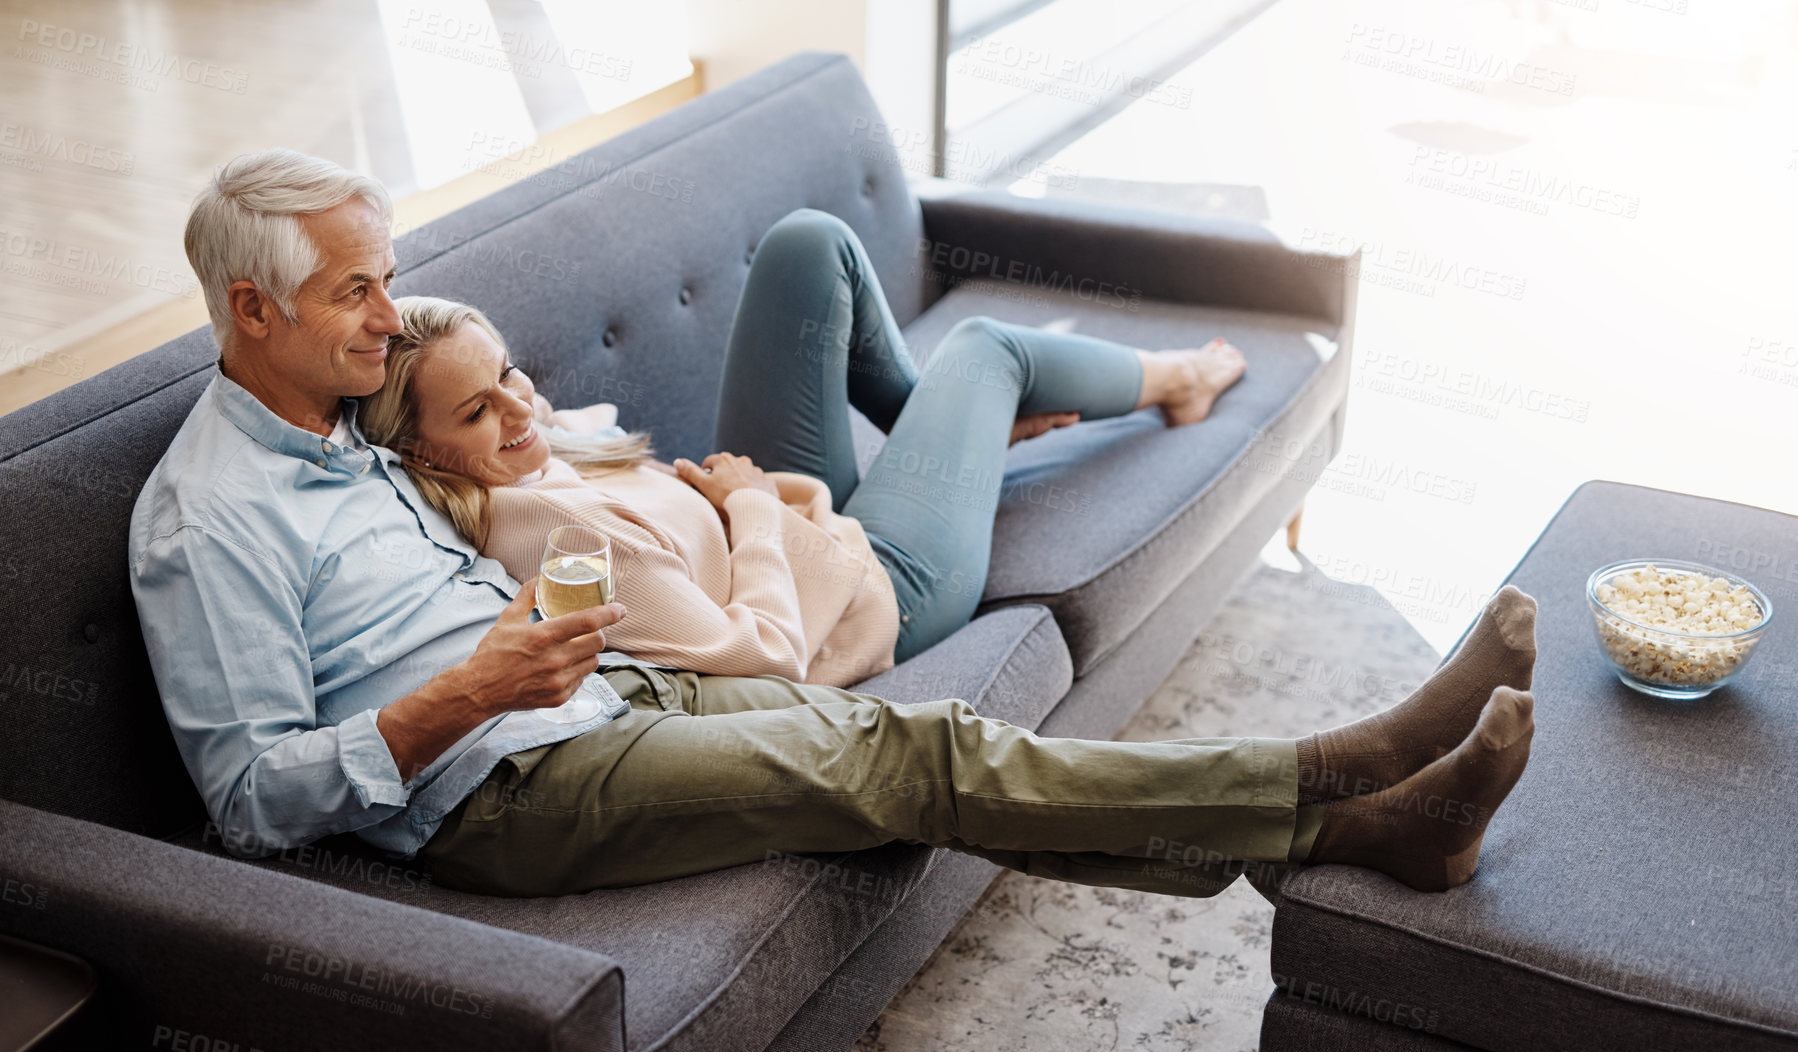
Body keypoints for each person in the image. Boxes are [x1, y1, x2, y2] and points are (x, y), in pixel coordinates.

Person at [130, 148, 1538, 907]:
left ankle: (1354, 816)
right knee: (897, 746)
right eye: (355, 294)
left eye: (386, 282)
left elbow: (511, 451)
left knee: (909, 751)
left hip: (595, 684)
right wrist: (467, 690)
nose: (385, 315)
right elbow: (249, 800)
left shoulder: (345, 421)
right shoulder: (207, 522)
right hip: (494, 791)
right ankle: (1335, 786)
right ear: (253, 312)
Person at [354, 208, 1251, 687]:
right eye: (479, 410)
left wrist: (545, 424)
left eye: (511, 372)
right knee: (987, 346)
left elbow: (559, 434)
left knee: (809, 244)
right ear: (419, 455)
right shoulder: (554, 537)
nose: (520, 406)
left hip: (780, 522)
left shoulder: (518, 451)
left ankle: (945, 428)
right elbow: (762, 661)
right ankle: (1179, 378)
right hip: (870, 590)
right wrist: (747, 507)